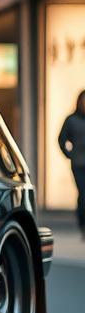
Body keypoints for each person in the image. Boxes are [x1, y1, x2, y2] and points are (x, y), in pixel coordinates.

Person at [58, 90, 85, 240]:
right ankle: (83, 224)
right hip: (79, 163)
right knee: (83, 194)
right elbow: (61, 140)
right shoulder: (71, 120)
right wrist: (69, 155)